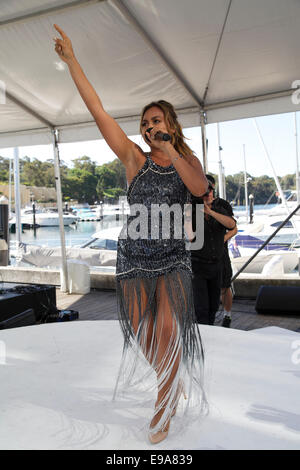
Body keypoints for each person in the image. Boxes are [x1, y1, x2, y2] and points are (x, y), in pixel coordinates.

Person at [53, 25, 208, 444]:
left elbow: (198, 189)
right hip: (134, 260)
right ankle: (170, 383)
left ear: (170, 125)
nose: (147, 126)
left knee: (167, 332)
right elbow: (99, 111)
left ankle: (162, 411)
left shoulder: (184, 159)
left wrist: (173, 149)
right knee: (143, 336)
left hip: (174, 258)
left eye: (156, 121)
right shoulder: (132, 158)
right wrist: (72, 62)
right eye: (144, 122)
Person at [191, 176, 236, 325]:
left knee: (214, 304)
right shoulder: (191, 209)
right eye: (204, 192)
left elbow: (232, 225)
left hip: (217, 260)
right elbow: (189, 237)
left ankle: (225, 316)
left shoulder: (221, 207)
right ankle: (204, 333)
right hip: (198, 264)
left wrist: (211, 212)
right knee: (201, 307)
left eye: (210, 191)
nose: (208, 194)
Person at [204, 175, 237, 328]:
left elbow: (233, 228)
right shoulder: (195, 203)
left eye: (209, 187)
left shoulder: (223, 205)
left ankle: (227, 315)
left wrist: (222, 239)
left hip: (220, 253)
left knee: (225, 285)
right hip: (201, 254)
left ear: (214, 187)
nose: (207, 191)